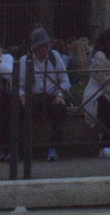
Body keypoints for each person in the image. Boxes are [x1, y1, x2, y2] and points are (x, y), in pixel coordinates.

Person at [20, 27, 71, 160]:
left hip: (51, 96)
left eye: (47, 44)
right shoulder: (25, 60)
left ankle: (54, 148)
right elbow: (19, 84)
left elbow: (64, 79)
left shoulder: (55, 57)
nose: (46, 48)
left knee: (60, 110)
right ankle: (23, 149)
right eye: (42, 45)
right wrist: (22, 96)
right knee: (20, 112)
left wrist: (60, 94)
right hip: (33, 97)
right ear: (35, 47)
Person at [86, 30, 110, 158]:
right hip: (98, 93)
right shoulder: (100, 56)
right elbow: (104, 79)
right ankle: (105, 144)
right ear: (108, 42)